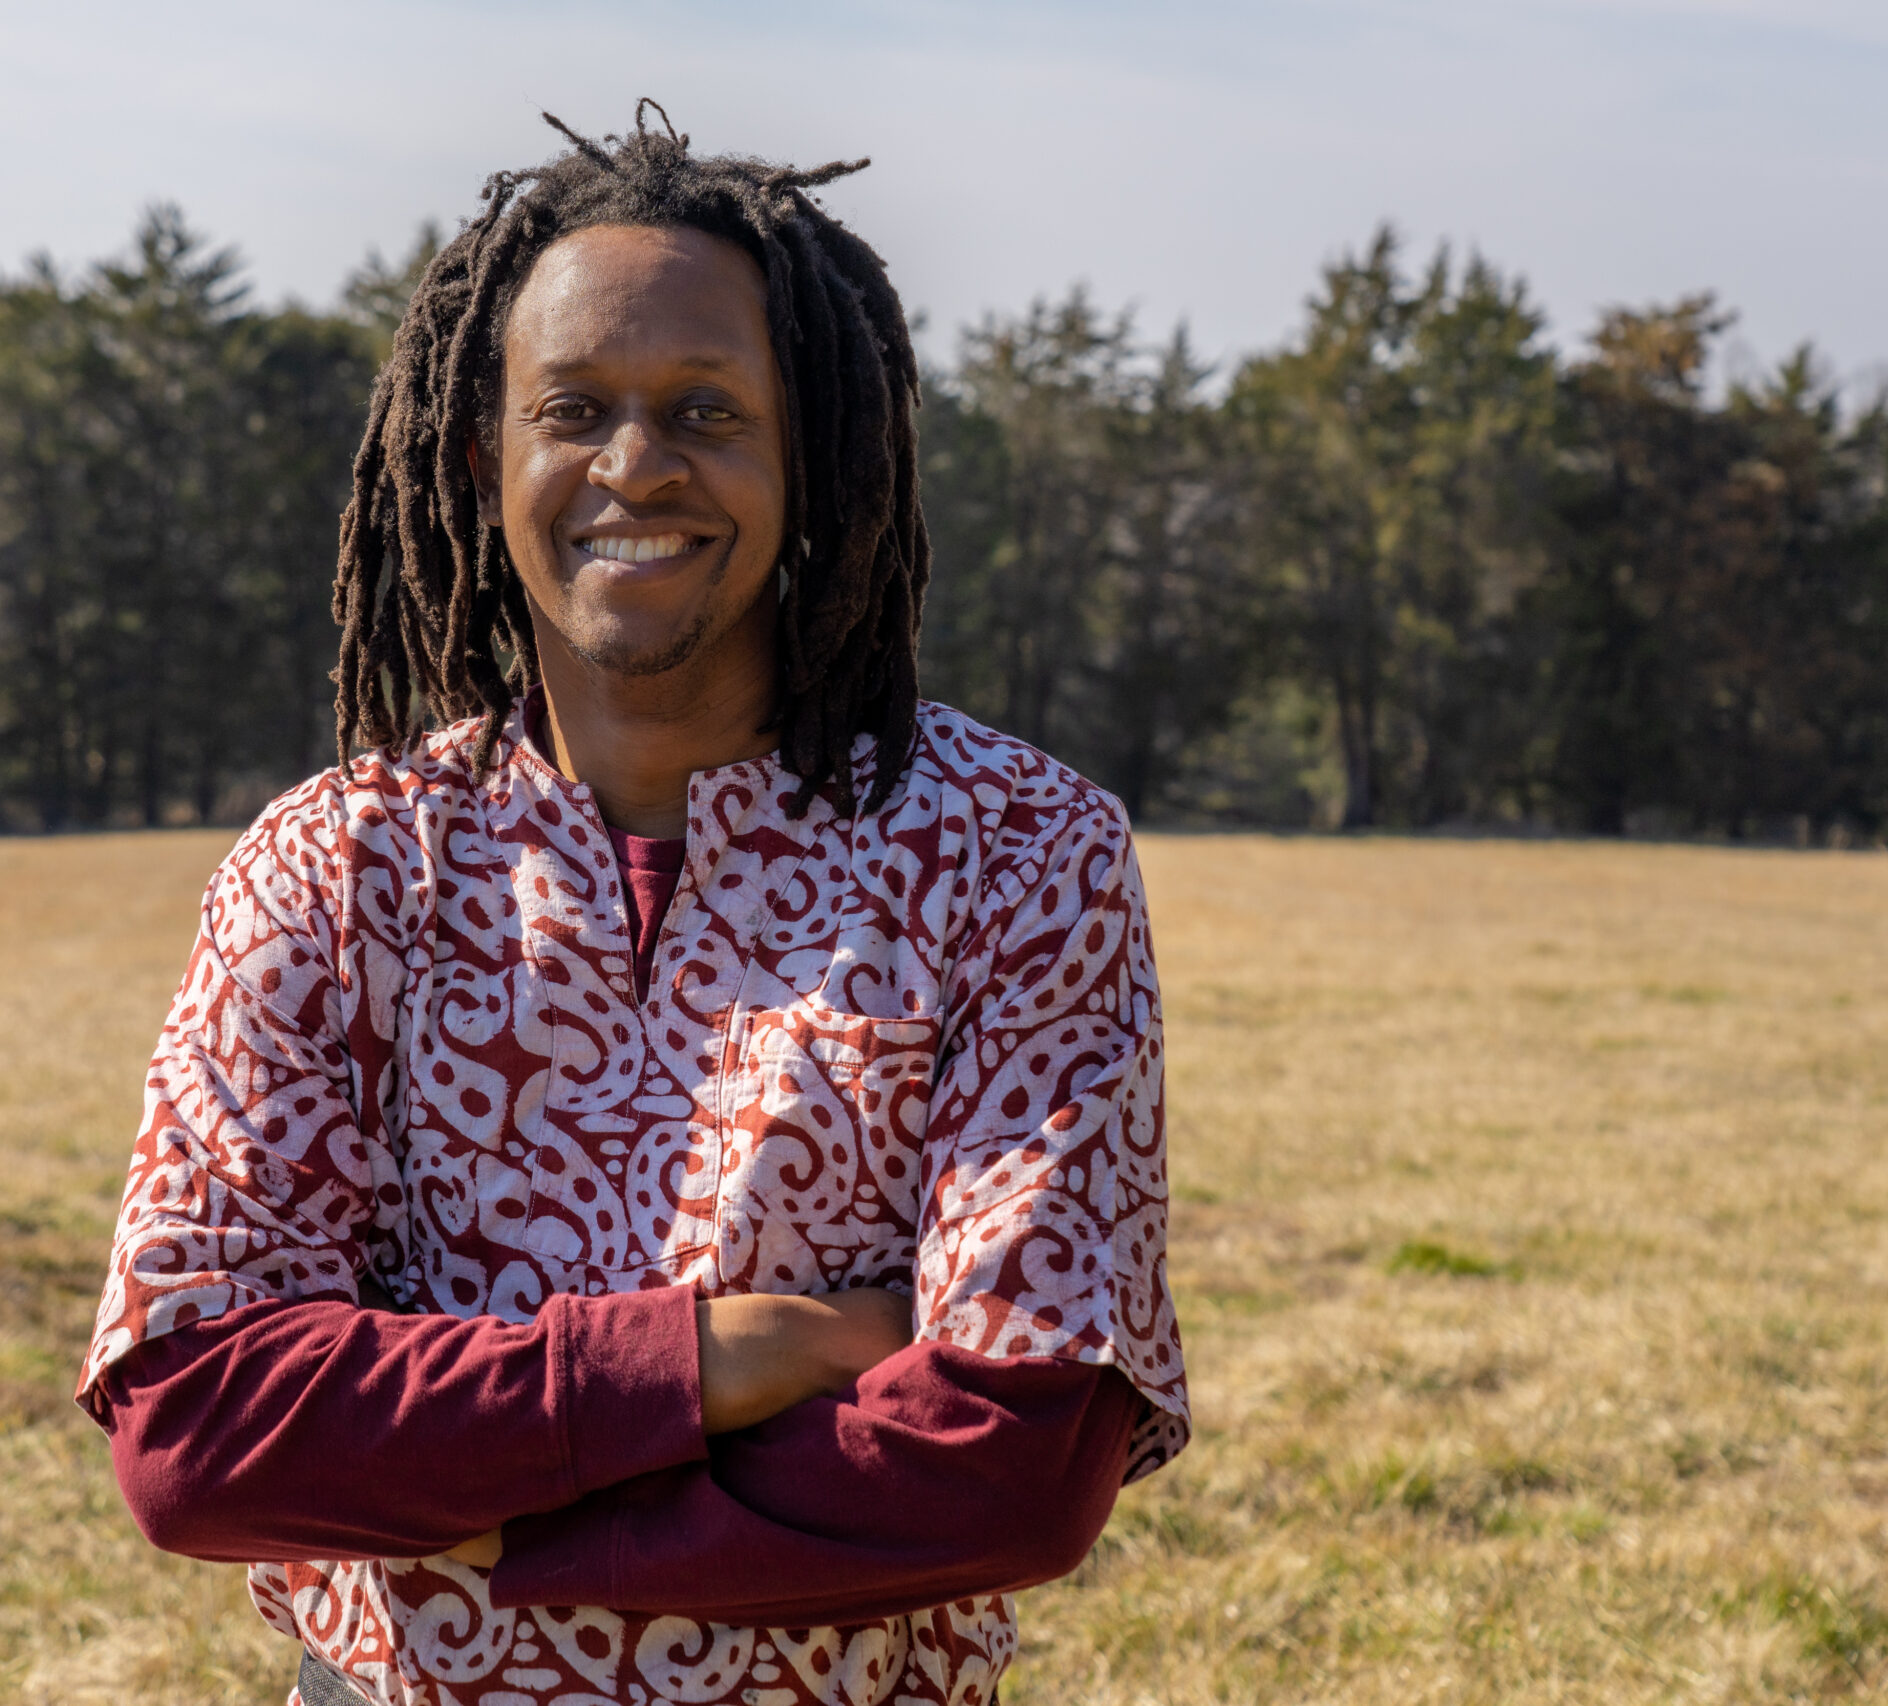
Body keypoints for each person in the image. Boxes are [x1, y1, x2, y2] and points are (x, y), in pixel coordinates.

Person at [78, 102, 1188, 1706]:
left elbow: (1014, 1457)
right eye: (575, 406)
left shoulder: (1021, 853)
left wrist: (474, 1529)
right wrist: (712, 1359)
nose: (635, 464)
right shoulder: (329, 869)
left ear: (811, 453)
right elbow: (197, 1429)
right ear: (487, 456)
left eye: (705, 411)